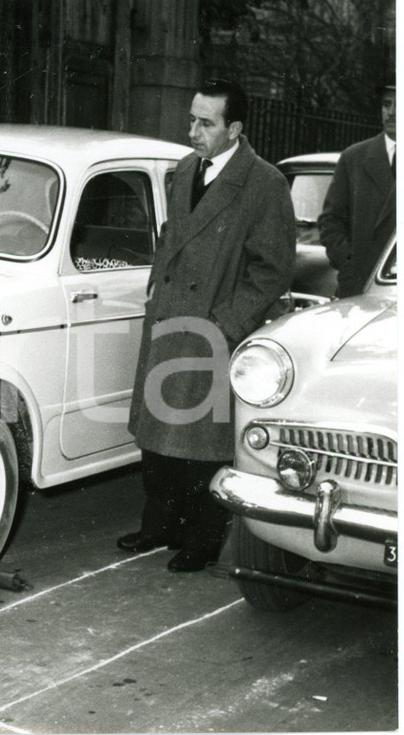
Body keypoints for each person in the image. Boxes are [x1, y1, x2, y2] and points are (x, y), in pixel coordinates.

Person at [121, 79, 296, 572]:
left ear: (234, 128)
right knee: (158, 439)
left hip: (212, 327)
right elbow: (170, 235)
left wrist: (225, 324)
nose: (193, 130)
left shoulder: (264, 183)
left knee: (202, 446)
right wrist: (157, 284)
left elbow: (272, 270)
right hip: (170, 318)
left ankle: (201, 539)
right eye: (192, 119)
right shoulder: (184, 168)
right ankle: (160, 527)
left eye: (206, 123)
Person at [318, 84, 396, 297]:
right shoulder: (354, 157)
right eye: (386, 104)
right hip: (360, 285)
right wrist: (349, 261)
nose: (392, 112)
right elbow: (330, 220)